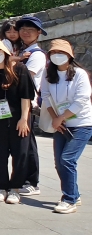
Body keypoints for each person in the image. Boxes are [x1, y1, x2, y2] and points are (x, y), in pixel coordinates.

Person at [0, 40, 36, 204]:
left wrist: (25, 119)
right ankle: (2, 186)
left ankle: (16, 188)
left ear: (5, 52)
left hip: (19, 118)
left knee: (21, 153)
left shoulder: (19, 69)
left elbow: (26, 96)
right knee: (0, 153)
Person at [41, 39, 91, 214]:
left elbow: (82, 100)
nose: (57, 56)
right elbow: (46, 96)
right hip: (61, 124)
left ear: (71, 56)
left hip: (81, 124)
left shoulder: (79, 74)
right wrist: (56, 118)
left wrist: (62, 117)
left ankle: (68, 199)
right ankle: (74, 195)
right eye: (53, 53)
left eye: (61, 53)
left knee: (68, 160)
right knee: (59, 163)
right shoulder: (48, 74)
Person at [15, 16, 46, 197]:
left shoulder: (36, 55)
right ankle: (24, 178)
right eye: (23, 28)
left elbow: (26, 76)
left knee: (27, 144)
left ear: (39, 33)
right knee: (22, 143)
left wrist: (13, 61)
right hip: (17, 102)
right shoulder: (23, 52)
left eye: (31, 29)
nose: (25, 32)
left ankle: (32, 181)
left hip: (26, 102)